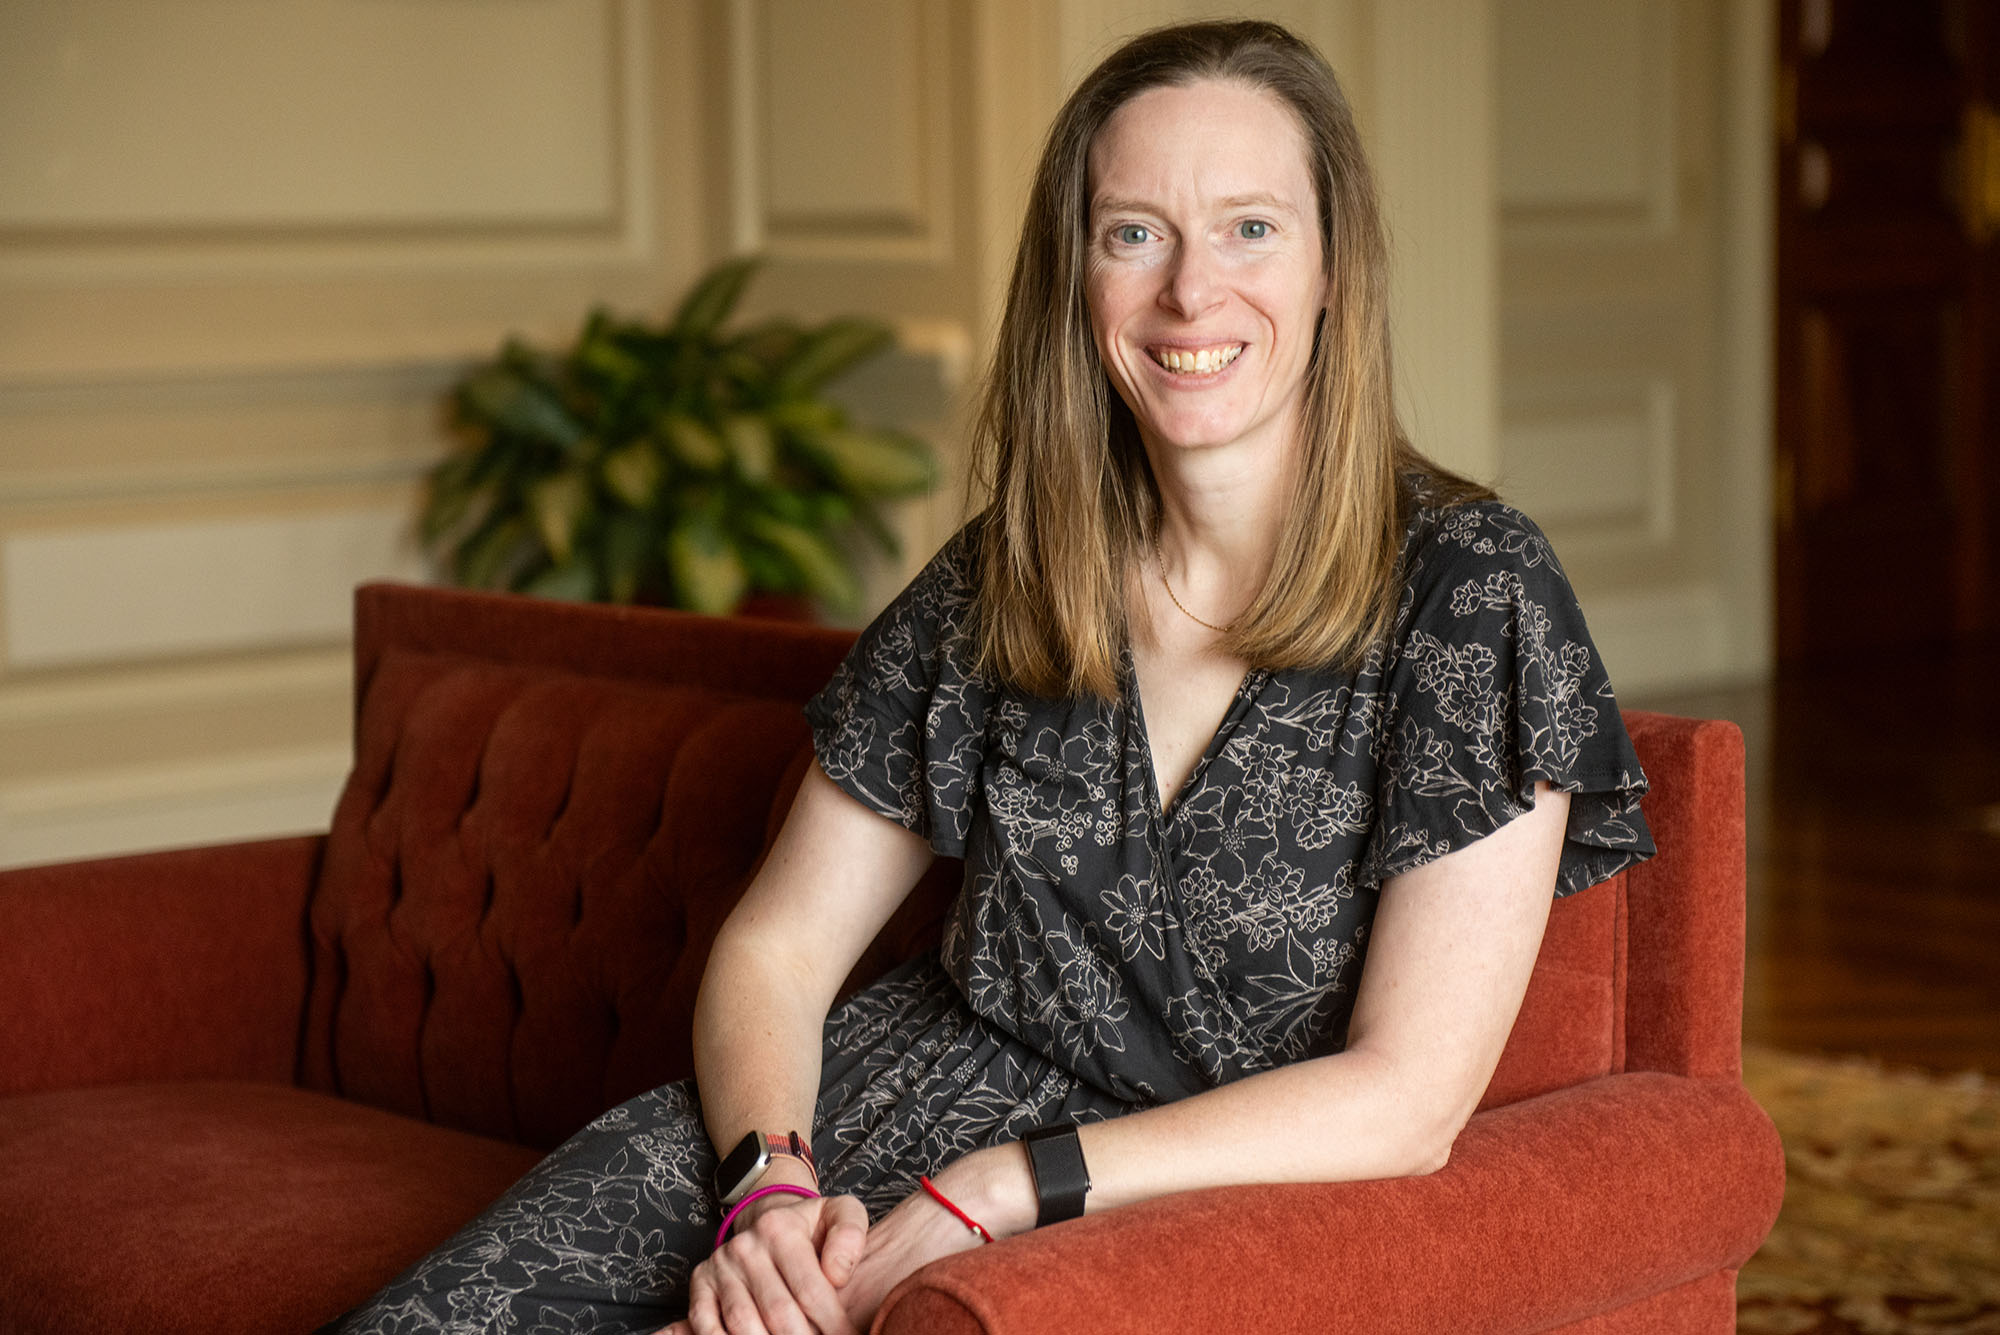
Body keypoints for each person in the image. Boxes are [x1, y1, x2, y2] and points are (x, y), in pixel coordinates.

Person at [327, 18, 1652, 1335]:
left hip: (1132, 1203)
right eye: (1134, 232)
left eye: (1252, 227)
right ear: (1075, 274)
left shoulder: (1471, 591)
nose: (1193, 293)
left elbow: (1408, 1099)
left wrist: (1002, 1191)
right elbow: (780, 950)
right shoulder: (1007, 571)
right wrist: (769, 1195)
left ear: (1333, 267)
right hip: (836, 1130)